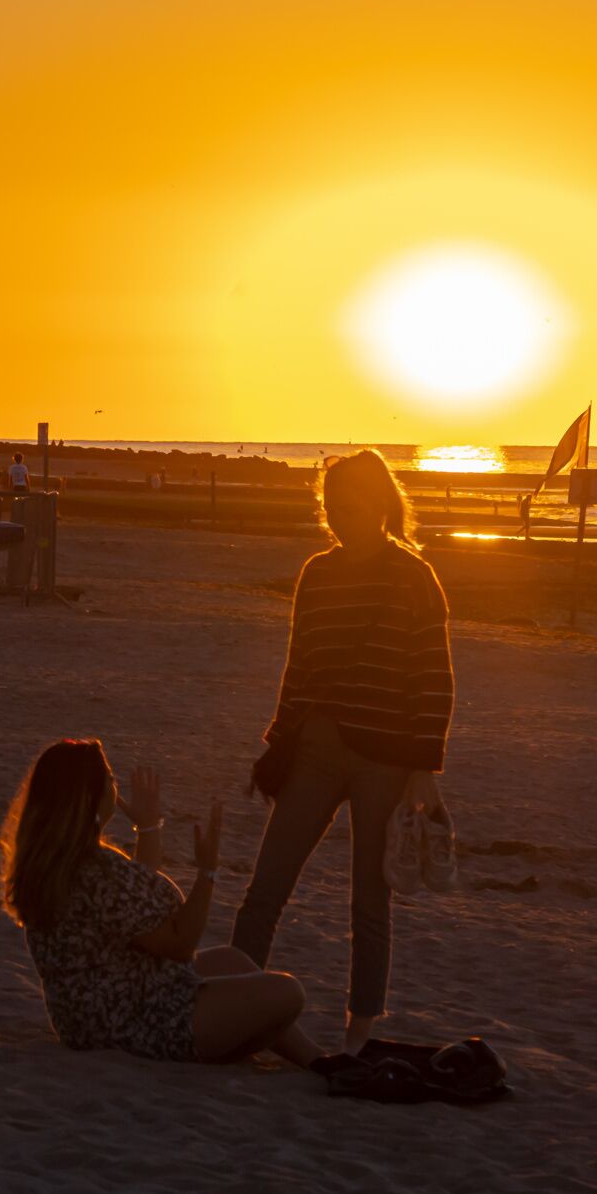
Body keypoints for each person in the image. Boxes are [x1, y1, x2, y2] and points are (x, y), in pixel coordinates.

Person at [231, 448, 455, 1051]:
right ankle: (234, 1006)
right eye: (331, 506)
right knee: (267, 885)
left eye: (351, 504)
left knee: (369, 901)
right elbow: (297, 667)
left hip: (386, 760)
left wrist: (424, 770)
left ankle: (358, 1037)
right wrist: (277, 745)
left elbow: (433, 678)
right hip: (317, 748)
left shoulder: (413, 576)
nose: (339, 516)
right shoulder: (317, 573)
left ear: (381, 504)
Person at [0, 738, 321, 1067]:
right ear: (89, 798)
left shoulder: (52, 861)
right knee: (287, 993)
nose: (115, 788)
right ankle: (281, 1053)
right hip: (135, 1019)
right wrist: (207, 872)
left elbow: (135, 902)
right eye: (110, 780)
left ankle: (320, 1062)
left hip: (87, 1015)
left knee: (231, 961)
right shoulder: (98, 869)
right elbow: (180, 944)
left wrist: (148, 826)